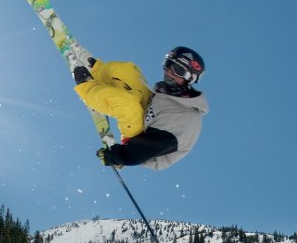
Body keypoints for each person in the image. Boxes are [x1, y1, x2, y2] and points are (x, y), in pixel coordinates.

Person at [70, 46, 209, 170]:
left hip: (139, 145)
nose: (169, 72)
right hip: (147, 115)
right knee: (126, 71)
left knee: (127, 105)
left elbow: (145, 150)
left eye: (178, 70)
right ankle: (94, 70)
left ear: (189, 79)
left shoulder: (186, 121)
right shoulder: (172, 93)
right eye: (169, 64)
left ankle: (87, 86)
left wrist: (116, 156)